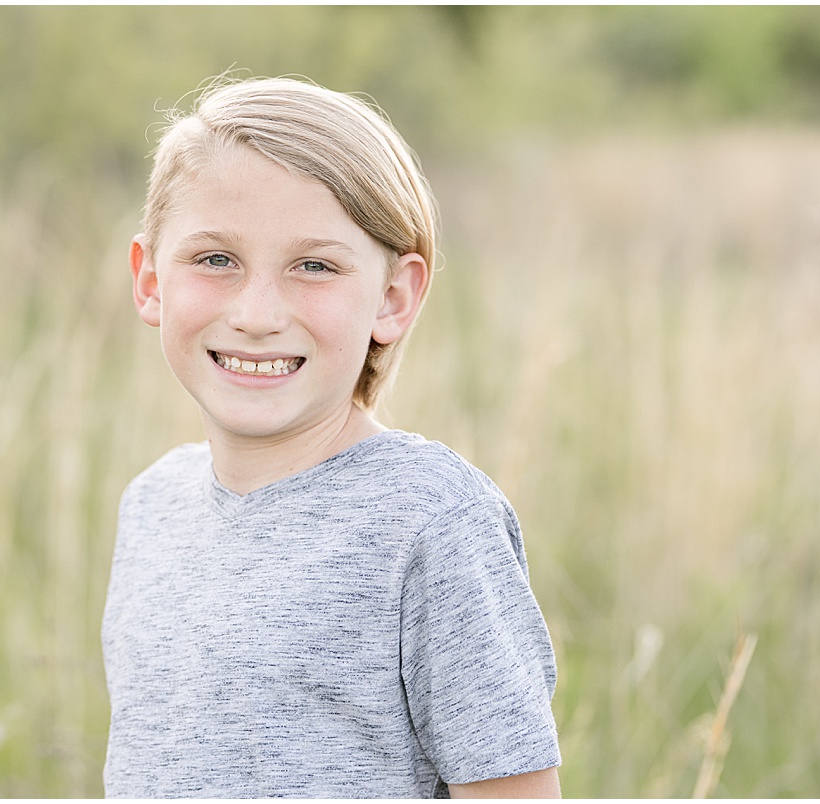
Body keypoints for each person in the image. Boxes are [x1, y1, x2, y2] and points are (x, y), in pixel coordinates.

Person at [101, 76, 561, 799]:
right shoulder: (152, 506)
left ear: (393, 296)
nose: (256, 313)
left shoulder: (430, 521)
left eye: (313, 265)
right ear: (151, 280)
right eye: (215, 260)